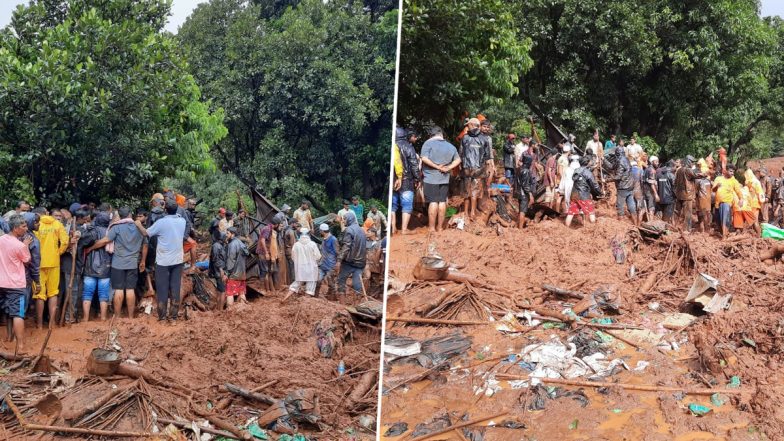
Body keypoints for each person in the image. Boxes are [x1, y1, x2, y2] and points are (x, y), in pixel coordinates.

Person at [133, 200, 186, 321]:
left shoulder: (161, 222)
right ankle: (173, 317)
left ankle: (162, 317)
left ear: (165, 210)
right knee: (175, 288)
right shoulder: (182, 221)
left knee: (162, 288)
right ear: (177, 210)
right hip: (177, 260)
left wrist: (138, 224)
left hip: (163, 262)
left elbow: (146, 233)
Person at [106, 207, 147, 318]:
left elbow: (106, 240)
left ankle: (118, 316)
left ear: (119, 216)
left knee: (118, 290)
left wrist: (92, 246)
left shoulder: (116, 227)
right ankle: (130, 317)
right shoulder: (138, 227)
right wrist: (143, 260)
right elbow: (145, 245)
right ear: (130, 214)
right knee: (130, 289)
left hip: (117, 263)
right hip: (132, 263)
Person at [0, 215, 32, 352]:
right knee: (18, 314)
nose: (26, 228)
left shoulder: (0, 240)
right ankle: (20, 346)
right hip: (16, 285)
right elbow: (27, 261)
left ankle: (8, 337)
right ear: (15, 228)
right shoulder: (20, 245)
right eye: (23, 226)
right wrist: (25, 246)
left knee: (7, 312)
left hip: (2, 283)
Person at [33, 207, 69, 329]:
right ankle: (52, 324)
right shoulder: (57, 224)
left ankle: (39, 325)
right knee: (53, 293)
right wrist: (58, 252)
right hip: (54, 262)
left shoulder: (36, 224)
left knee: (39, 294)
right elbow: (65, 241)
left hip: (38, 263)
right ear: (47, 213)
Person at [421, 126, 461, 231]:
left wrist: (436, 166)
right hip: (444, 178)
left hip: (430, 178)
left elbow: (424, 158)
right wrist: (448, 167)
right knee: (442, 201)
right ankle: (440, 227)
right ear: (441, 134)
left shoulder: (428, 143)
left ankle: (431, 228)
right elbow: (458, 160)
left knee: (433, 202)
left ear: (431, 135)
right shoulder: (451, 146)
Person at [80, 211, 112, 321]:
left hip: (90, 266)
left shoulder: (92, 230)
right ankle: (103, 318)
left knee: (87, 293)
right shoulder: (110, 231)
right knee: (103, 294)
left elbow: (83, 242)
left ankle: (85, 318)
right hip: (106, 267)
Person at [460, 118, 493, 219]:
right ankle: (472, 212)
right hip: (479, 169)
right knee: (474, 191)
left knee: (466, 191)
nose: (467, 127)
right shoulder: (485, 139)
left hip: (467, 168)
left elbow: (460, 153)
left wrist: (461, 166)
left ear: (472, 125)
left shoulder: (464, 138)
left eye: (468, 125)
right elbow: (487, 156)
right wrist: (489, 169)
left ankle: (466, 212)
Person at [392, 126, 420, 235]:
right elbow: (414, 164)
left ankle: (393, 228)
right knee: (407, 205)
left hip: (394, 180)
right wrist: (417, 178)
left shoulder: (394, 146)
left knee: (393, 205)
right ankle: (404, 229)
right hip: (406, 180)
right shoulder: (408, 147)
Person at [566, 156, 602, 227]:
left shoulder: (576, 170)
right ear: (588, 163)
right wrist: (600, 192)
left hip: (574, 194)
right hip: (584, 195)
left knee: (571, 213)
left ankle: (566, 228)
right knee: (591, 212)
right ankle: (594, 229)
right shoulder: (587, 172)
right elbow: (594, 184)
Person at [336, 211, 366, 296]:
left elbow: (346, 246)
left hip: (350, 262)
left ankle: (342, 304)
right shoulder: (362, 230)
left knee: (341, 280)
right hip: (361, 262)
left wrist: (339, 260)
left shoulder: (349, 230)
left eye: (344, 219)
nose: (343, 221)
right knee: (357, 284)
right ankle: (358, 304)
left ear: (349, 219)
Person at [288, 227, 322, 297]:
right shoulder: (312, 244)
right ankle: (306, 301)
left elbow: (293, 257)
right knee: (310, 286)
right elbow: (318, 256)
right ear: (308, 234)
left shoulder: (296, 245)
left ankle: (285, 298)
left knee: (296, 284)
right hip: (311, 268)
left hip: (300, 268)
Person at [713, 164, 743, 239]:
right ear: (726, 170)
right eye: (730, 171)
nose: (732, 173)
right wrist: (717, 186)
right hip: (717, 204)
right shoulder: (718, 179)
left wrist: (741, 199)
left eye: (733, 172)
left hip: (727, 203)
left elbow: (738, 191)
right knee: (718, 220)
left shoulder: (734, 181)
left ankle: (724, 236)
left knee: (725, 218)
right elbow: (713, 190)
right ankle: (724, 233)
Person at [21, 213, 41, 318]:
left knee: (10, 308)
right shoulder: (32, 240)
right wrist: (37, 281)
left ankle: (11, 333)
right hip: (24, 278)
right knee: (20, 308)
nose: (39, 224)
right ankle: (17, 333)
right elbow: (35, 263)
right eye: (36, 222)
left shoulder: (11, 237)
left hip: (9, 278)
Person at [257, 216, 283, 292]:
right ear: (277, 224)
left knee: (267, 271)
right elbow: (262, 240)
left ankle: (268, 289)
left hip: (265, 252)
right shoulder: (267, 229)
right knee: (264, 271)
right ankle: (262, 289)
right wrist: (266, 253)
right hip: (262, 252)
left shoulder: (269, 229)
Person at [224, 227, 249, 306]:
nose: (226, 235)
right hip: (242, 273)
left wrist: (227, 273)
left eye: (228, 233)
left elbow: (231, 260)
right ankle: (243, 309)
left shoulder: (232, 244)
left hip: (234, 273)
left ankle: (230, 311)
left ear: (233, 234)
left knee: (230, 293)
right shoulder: (241, 243)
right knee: (241, 292)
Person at [674, 156, 698, 231]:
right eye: (692, 162)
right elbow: (696, 175)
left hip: (679, 194)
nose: (693, 163)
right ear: (688, 161)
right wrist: (705, 174)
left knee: (677, 212)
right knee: (688, 213)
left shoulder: (679, 170)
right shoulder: (688, 170)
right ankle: (686, 229)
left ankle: (674, 226)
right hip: (688, 195)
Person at [615, 146, 638, 224]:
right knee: (631, 205)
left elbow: (618, 177)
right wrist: (603, 160)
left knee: (620, 206)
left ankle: (621, 226)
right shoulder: (626, 159)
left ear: (617, 154)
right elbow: (612, 166)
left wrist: (607, 180)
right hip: (630, 186)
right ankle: (635, 224)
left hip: (623, 187)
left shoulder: (619, 161)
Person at [317, 223, 338, 297]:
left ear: (322, 231)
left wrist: (337, 264)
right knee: (318, 280)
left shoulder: (333, 239)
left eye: (320, 231)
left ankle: (333, 297)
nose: (320, 232)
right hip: (322, 264)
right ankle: (315, 296)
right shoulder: (324, 240)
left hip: (331, 264)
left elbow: (337, 252)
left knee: (330, 281)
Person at [514, 155, 535, 229]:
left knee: (521, 210)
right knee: (523, 211)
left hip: (519, 193)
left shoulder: (519, 169)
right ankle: (520, 228)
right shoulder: (526, 171)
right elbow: (525, 185)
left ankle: (519, 226)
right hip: (524, 194)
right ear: (528, 162)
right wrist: (530, 195)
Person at [743, 168, 765, 235]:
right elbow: (761, 194)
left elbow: (760, 195)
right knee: (753, 221)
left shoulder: (748, 182)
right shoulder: (755, 182)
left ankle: (758, 235)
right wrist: (761, 204)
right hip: (754, 204)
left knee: (750, 221)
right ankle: (758, 235)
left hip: (750, 204)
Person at [209, 232, 227, 309]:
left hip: (219, 271)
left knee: (220, 291)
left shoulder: (219, 245)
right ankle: (221, 310)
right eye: (225, 237)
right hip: (219, 272)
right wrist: (221, 269)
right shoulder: (216, 246)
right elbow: (215, 259)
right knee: (223, 291)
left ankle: (218, 308)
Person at [695, 168, 713, 233]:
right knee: (707, 214)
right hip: (708, 199)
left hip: (701, 199)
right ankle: (707, 229)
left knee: (701, 215)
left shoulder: (698, 181)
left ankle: (702, 229)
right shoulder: (708, 181)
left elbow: (696, 192)